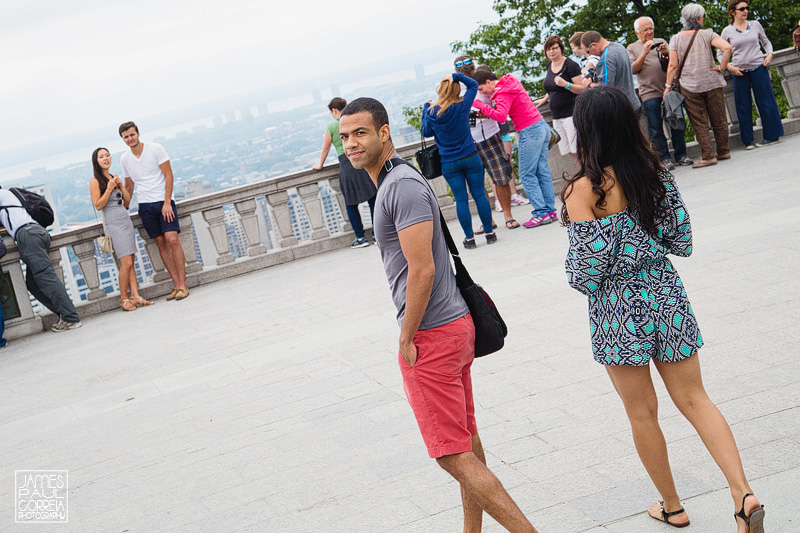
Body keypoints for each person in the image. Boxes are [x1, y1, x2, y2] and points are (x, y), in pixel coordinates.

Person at [562, 86, 765, 532]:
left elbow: (585, 273)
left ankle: (672, 507)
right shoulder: (655, 172)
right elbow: (681, 239)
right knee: (696, 398)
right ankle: (742, 493)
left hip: (617, 309)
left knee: (642, 413)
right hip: (665, 292)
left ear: (588, 130)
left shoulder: (584, 189)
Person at [338, 97, 537, 532]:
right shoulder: (396, 179)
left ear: (383, 133)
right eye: (345, 136)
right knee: (463, 438)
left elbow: (423, 268)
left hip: (432, 333)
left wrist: (406, 337)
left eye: (360, 133)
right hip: (450, 326)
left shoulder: (400, 186)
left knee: (450, 452)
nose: (351, 143)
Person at [472, 67, 557, 229]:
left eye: (482, 89)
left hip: (529, 130)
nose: (482, 93)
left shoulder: (502, 93)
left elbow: (501, 117)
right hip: (541, 125)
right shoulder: (509, 81)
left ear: (489, 82)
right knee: (542, 170)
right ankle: (550, 211)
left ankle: (540, 213)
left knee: (526, 174)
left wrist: (480, 105)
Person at [421, 73, 497, 248]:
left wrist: (426, 108)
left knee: (461, 199)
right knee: (479, 194)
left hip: (449, 162)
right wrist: (454, 75)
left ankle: (469, 239)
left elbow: (426, 132)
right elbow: (472, 85)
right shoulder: (462, 104)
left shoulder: (433, 112)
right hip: (470, 156)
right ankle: (489, 233)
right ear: (455, 89)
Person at [119, 122, 189, 300]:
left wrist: (167, 202)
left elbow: (169, 175)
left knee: (172, 240)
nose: (130, 139)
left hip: (163, 201)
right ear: (123, 139)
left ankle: (183, 285)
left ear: (138, 133)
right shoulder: (125, 159)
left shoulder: (156, 148)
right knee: (160, 244)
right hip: (145, 205)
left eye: (132, 135)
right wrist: (124, 207)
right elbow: (129, 184)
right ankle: (176, 285)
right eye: (126, 137)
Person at [0, 189, 82, 332]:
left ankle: (70, 318)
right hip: (37, 232)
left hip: (28, 235)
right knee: (33, 284)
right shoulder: (8, 196)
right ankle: (64, 314)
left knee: (46, 277)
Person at [453, 55, 519, 229]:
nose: (465, 73)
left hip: (490, 134)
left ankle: (507, 215)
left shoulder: (483, 82)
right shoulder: (454, 88)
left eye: (468, 70)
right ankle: (487, 220)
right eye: (461, 71)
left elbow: (500, 105)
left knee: (501, 176)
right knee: (476, 184)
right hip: (469, 140)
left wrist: (484, 112)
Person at [664, 4, 733, 168]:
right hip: (712, 82)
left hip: (690, 85)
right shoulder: (708, 34)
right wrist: (722, 67)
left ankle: (708, 156)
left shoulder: (675, 39)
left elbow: (673, 66)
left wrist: (667, 86)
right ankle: (723, 151)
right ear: (697, 19)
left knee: (699, 122)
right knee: (719, 118)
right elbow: (727, 47)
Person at [90, 148, 153, 311]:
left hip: (125, 221)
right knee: (125, 263)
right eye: (101, 157)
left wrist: (120, 185)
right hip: (114, 225)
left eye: (107, 155)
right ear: (96, 161)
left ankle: (135, 295)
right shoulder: (95, 181)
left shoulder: (113, 176)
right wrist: (110, 188)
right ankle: (123, 299)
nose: (106, 159)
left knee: (131, 262)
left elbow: (126, 201)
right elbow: (98, 205)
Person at [627, 16, 694, 169]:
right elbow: (633, 69)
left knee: (677, 123)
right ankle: (663, 158)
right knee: (656, 128)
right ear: (637, 32)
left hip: (669, 90)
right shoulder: (632, 48)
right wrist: (644, 52)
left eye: (651, 28)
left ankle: (681, 155)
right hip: (650, 93)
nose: (650, 32)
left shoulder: (661, 40)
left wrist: (666, 53)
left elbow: (673, 63)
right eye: (646, 30)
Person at [312, 97, 377, 247]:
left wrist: (320, 164)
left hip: (347, 166)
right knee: (373, 199)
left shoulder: (332, 127)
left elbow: (325, 148)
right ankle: (377, 234)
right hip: (362, 162)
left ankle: (360, 238)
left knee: (351, 203)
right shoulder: (353, 121)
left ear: (334, 110)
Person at [721, 0, 784, 149]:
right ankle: (748, 141)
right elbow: (720, 52)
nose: (745, 11)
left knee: (766, 101)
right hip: (739, 72)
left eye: (747, 8)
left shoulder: (755, 25)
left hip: (758, 67)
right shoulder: (727, 31)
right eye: (742, 8)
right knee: (743, 105)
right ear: (732, 12)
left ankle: (772, 136)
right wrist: (729, 67)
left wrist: (769, 54)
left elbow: (766, 42)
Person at [534, 35, 586, 161]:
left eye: (554, 48)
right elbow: (552, 88)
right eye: (548, 49)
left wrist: (566, 85)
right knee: (567, 149)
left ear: (561, 48)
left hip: (571, 113)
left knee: (578, 148)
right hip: (556, 115)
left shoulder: (570, 65)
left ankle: (589, 173)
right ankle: (584, 172)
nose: (551, 52)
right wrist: (544, 99)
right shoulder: (549, 66)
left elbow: (583, 89)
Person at [582, 31, 642, 115]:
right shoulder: (619, 46)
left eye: (588, 52)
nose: (590, 55)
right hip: (634, 104)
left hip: (621, 109)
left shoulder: (606, 58)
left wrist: (588, 85)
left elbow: (604, 88)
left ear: (593, 45)